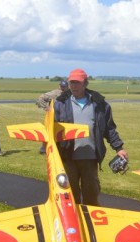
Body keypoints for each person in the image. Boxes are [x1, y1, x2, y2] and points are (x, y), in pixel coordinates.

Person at [54, 68, 128, 206]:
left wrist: (119, 148)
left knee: (91, 194)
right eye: (71, 82)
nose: (74, 86)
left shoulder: (99, 104)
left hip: (90, 157)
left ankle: (91, 218)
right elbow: (53, 129)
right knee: (70, 195)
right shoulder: (60, 104)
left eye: (77, 82)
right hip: (68, 157)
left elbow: (109, 128)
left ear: (85, 83)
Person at [36, 80, 69, 154]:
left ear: (67, 87)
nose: (63, 88)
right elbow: (41, 98)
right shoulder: (54, 93)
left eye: (64, 86)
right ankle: (43, 149)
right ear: (59, 86)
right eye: (62, 86)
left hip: (64, 117)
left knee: (62, 133)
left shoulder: (69, 93)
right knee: (49, 133)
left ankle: (61, 149)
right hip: (54, 117)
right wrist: (47, 108)